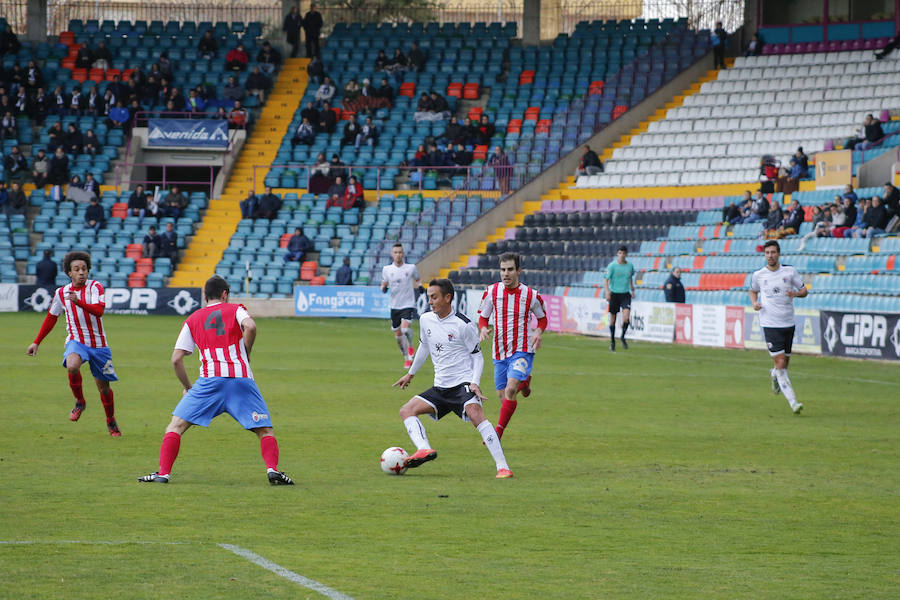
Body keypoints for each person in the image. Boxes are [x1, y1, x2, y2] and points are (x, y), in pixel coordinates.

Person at [137, 275, 294, 485]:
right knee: (264, 429)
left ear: (204, 296)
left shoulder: (192, 319)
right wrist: (246, 351)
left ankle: (163, 473)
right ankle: (272, 470)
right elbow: (251, 327)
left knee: (176, 427)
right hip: (240, 379)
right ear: (224, 294)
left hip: (210, 381)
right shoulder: (235, 309)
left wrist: (188, 388)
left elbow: (176, 359)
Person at [393, 278, 513, 478]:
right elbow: (424, 346)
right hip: (440, 388)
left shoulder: (464, 325)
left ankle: (503, 467)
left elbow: (477, 357)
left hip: (462, 385)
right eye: (429, 297)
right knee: (407, 410)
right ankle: (424, 449)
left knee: (476, 415)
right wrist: (411, 373)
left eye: (434, 297)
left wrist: (474, 382)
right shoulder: (425, 319)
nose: (430, 301)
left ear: (447, 297)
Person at [26, 251, 121, 436]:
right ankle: (80, 402)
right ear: (69, 273)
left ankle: (110, 420)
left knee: (104, 388)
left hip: (99, 345)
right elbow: (52, 317)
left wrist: (78, 302)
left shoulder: (95, 287)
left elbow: (99, 311)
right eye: (76, 269)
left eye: (84, 269)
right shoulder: (61, 293)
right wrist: (36, 342)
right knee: (72, 365)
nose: (81, 272)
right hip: (76, 341)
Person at [477, 252, 547, 440]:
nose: (505, 274)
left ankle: (497, 432)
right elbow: (483, 317)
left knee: (509, 390)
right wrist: (483, 329)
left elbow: (542, 319)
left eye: (510, 270)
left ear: (518, 271)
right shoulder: (492, 292)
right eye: (502, 270)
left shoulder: (531, 295)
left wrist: (539, 332)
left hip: (523, 348)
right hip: (499, 351)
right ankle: (525, 383)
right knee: (503, 396)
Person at [748, 240, 807, 414]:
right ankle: (793, 402)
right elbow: (752, 290)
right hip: (770, 323)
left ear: (779, 254)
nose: (770, 256)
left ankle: (774, 375)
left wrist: (795, 293)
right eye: (767, 253)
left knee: (784, 365)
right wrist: (754, 303)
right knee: (780, 362)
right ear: (764, 255)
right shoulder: (759, 275)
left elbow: (805, 291)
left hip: (788, 323)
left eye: (773, 252)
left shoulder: (790, 272)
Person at [381, 243, 421, 368]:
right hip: (394, 305)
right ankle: (406, 358)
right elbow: (384, 283)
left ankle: (410, 347)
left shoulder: (411, 268)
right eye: (395, 252)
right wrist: (383, 288)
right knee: (398, 335)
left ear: (403, 254)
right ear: (392, 254)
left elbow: (417, 279)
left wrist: (420, 286)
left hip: (408, 303)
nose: (398, 255)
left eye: (400, 252)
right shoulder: (387, 269)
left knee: (404, 329)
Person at [604, 245, 636, 352]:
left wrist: (632, 289)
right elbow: (606, 280)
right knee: (613, 318)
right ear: (617, 254)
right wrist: (607, 292)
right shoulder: (612, 266)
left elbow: (630, 277)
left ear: (626, 254)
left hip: (625, 294)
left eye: (623, 253)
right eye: (620, 253)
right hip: (614, 294)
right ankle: (612, 341)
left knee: (626, 317)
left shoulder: (630, 266)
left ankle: (622, 336)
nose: (622, 255)